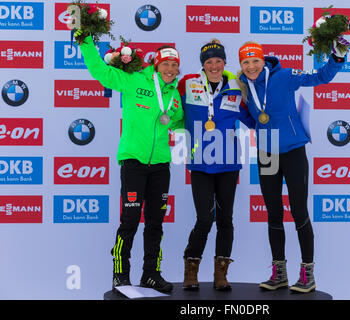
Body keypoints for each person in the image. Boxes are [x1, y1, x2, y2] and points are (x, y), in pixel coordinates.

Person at [237, 41, 346, 293]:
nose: (251, 66)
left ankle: (307, 272)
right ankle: (279, 273)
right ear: (241, 65)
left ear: (263, 60)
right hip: (267, 152)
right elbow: (249, 116)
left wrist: (336, 58)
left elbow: (320, 77)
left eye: (255, 60)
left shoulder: (284, 76)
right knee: (273, 212)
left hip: (294, 149)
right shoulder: (242, 85)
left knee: (298, 210)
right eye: (246, 62)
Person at [79, 34, 184, 293]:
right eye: (166, 63)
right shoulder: (134, 79)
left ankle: (151, 274)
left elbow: (181, 122)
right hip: (134, 162)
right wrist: (85, 41)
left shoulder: (176, 96)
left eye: (174, 65)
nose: (170, 69)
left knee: (156, 223)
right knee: (130, 220)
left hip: (160, 165)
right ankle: (120, 274)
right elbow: (100, 71)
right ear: (156, 64)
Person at [177, 39, 255, 291]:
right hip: (200, 163)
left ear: (224, 63)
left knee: (226, 219)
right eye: (209, 62)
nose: (214, 66)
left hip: (228, 164)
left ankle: (221, 272)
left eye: (218, 61)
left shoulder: (235, 86)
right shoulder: (187, 84)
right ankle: (191, 267)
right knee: (203, 219)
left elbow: (250, 118)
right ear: (203, 64)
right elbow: (166, 99)